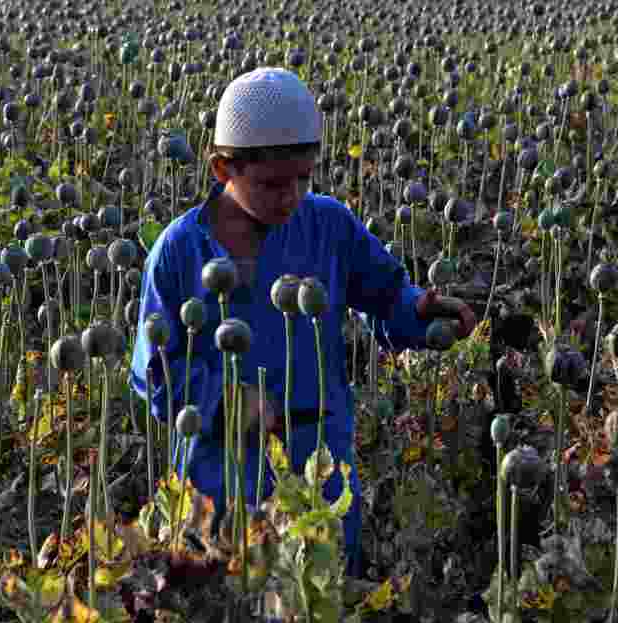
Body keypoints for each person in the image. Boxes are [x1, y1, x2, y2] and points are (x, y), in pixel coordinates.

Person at [130, 67, 476, 577]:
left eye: (302, 178)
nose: (290, 196)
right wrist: (230, 404)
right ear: (222, 168)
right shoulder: (180, 250)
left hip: (318, 460)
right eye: (271, 184)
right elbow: (155, 373)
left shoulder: (328, 225)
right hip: (222, 469)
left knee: (322, 586)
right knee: (230, 591)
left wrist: (419, 311)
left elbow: (384, 295)